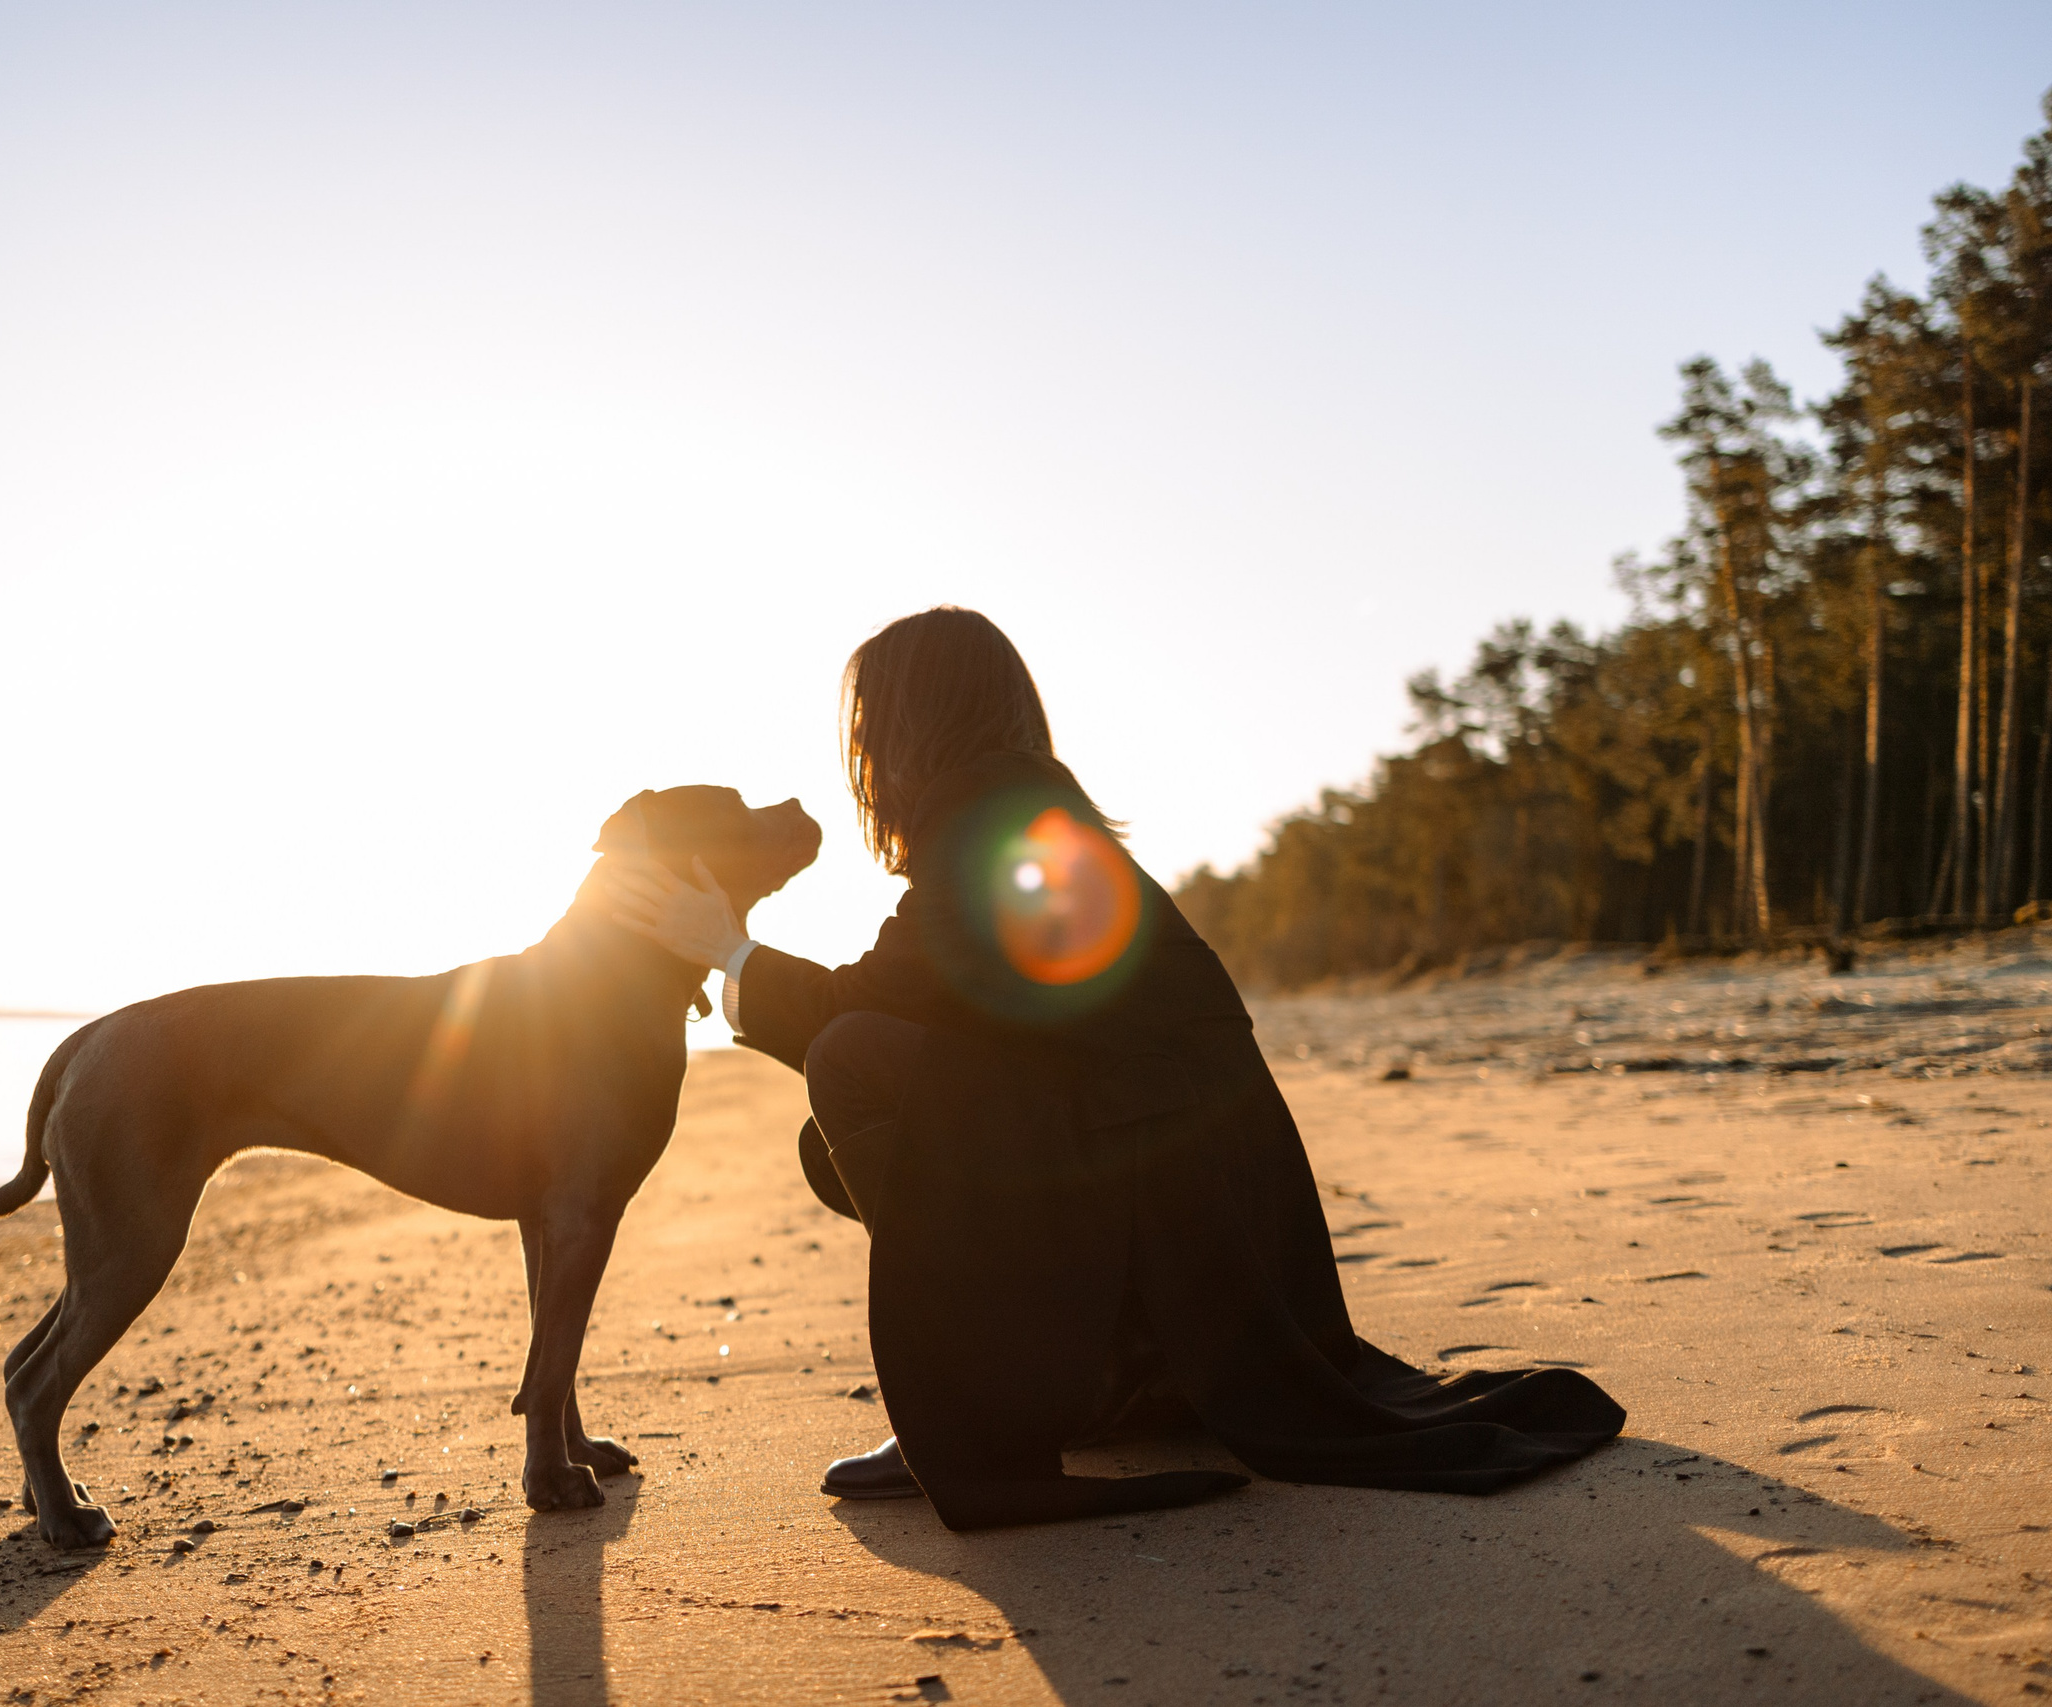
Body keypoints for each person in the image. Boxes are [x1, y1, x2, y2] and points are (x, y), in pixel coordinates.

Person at [606, 607, 1624, 1530]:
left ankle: (1000, 1397)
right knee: (845, 1120)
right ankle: (1125, 1371)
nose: (861, 748)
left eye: (868, 721)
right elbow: (946, 1010)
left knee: (853, 1064)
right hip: (1197, 1215)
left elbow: (862, 1012)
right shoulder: (1023, 813)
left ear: (909, 723)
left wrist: (725, 948)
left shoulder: (987, 823)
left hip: (1165, 1200)